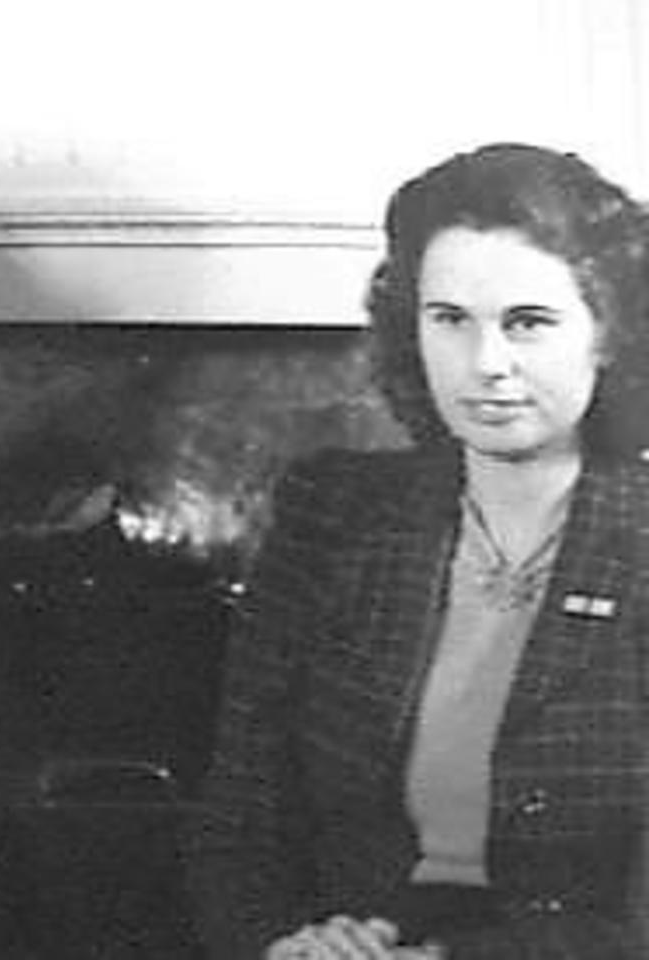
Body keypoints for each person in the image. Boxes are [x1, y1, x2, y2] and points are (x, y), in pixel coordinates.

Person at [184, 142, 649, 959]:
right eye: (450, 320)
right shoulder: (333, 510)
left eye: (529, 323)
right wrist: (285, 942)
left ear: (607, 335)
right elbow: (241, 808)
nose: (487, 364)